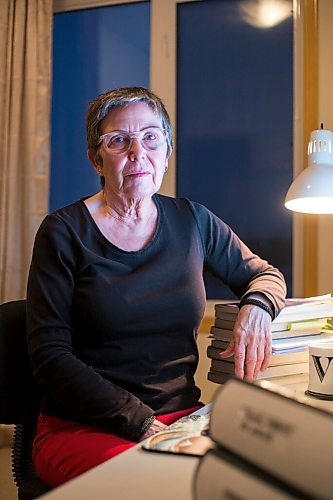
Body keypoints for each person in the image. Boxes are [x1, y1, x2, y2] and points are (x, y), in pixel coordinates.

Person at [26, 86, 286, 487]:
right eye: (119, 140)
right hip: (83, 427)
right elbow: (48, 356)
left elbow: (266, 275)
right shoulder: (63, 232)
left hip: (180, 418)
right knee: (166, 486)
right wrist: (141, 422)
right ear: (96, 159)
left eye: (150, 137)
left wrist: (257, 307)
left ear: (166, 152)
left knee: (262, 476)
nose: (137, 152)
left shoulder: (193, 221)